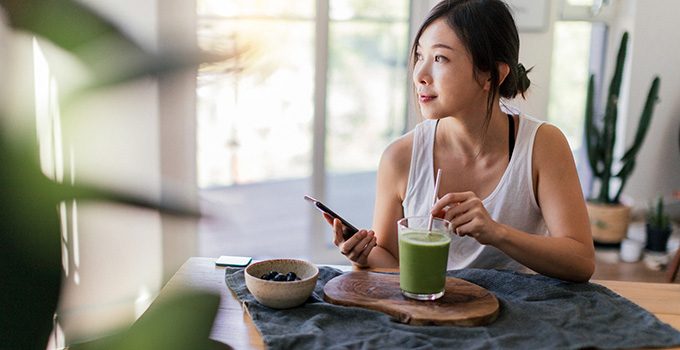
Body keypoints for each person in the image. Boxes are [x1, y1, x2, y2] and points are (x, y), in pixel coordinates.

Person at [323, 0, 594, 282]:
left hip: (514, 316)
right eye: (419, 56)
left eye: (440, 58)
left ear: (491, 74)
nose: (420, 75)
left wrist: (496, 233)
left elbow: (581, 261)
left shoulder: (542, 146)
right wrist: (364, 256)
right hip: (429, 315)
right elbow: (394, 265)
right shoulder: (400, 157)